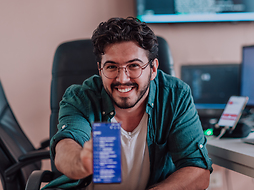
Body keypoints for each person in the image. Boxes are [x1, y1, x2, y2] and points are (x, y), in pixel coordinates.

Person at [44, 17, 213, 190]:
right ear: (100, 69)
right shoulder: (81, 97)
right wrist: (81, 162)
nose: (122, 79)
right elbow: (66, 146)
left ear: (153, 69)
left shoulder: (174, 96)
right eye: (111, 67)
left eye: (133, 66)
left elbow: (198, 170)